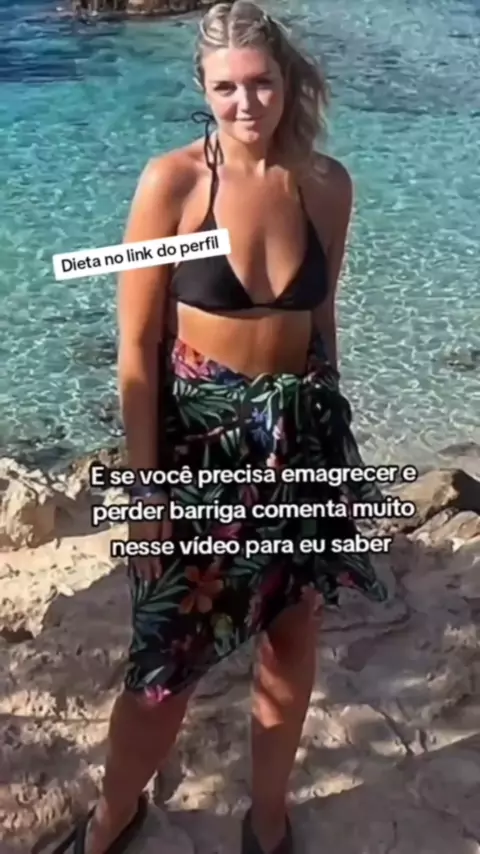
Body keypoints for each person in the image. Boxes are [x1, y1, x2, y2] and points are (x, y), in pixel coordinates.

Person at [54, 2, 389, 853]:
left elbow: (322, 321)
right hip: (200, 451)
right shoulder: (172, 184)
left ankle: (267, 816)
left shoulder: (327, 185)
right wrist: (148, 490)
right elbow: (137, 344)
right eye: (226, 88)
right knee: (166, 664)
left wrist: (334, 449)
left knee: (292, 632)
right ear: (202, 89)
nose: (246, 103)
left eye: (261, 83)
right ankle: (114, 815)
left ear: (287, 79)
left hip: (299, 440)